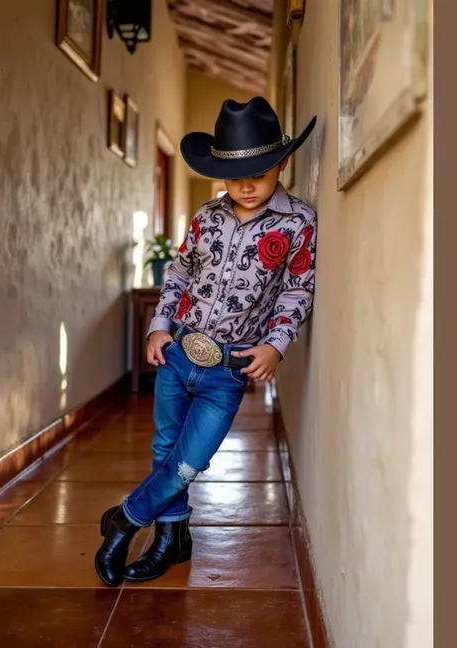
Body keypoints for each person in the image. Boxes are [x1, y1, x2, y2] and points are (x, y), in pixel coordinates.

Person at [94, 96, 319, 586]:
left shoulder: (298, 222)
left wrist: (276, 344)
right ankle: (171, 539)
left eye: (259, 170)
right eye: (234, 173)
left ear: (282, 162)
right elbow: (178, 274)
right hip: (179, 351)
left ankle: (126, 518)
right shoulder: (206, 217)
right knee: (165, 447)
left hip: (229, 367)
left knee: (190, 461)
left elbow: (298, 289)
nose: (246, 184)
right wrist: (159, 325)